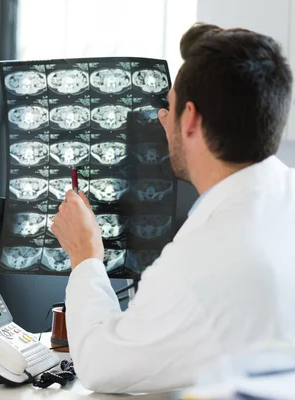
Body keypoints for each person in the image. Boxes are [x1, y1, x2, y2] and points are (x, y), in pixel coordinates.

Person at [51, 23, 295, 393]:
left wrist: (85, 254)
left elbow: (102, 366)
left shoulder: (202, 262)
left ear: (191, 119)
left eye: (169, 105)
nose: (162, 119)